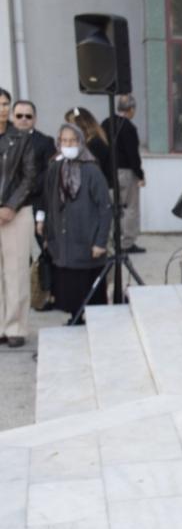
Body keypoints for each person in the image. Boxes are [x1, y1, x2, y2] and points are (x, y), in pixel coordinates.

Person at [34, 123, 112, 324]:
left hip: (86, 240)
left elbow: (105, 208)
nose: (68, 145)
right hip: (63, 241)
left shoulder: (91, 170)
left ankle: (90, 320)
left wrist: (100, 241)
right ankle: (75, 318)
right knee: (68, 285)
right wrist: (42, 222)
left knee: (88, 286)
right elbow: (47, 197)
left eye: (72, 141)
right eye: (64, 141)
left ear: (81, 142)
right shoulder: (55, 167)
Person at [11, 100, 56, 311]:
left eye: (28, 116)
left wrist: (25, 190)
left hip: (36, 203)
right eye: (19, 115)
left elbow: (48, 173)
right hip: (10, 209)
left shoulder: (45, 142)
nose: (23, 120)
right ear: (13, 117)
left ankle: (48, 294)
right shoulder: (5, 140)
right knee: (17, 257)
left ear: (35, 119)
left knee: (45, 251)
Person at [0, 88, 36, 347]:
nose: (1, 109)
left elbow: (30, 176)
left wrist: (10, 206)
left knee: (16, 271)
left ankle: (15, 328)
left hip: (17, 212)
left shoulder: (22, 138)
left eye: (5, 104)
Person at [104, 94, 146, 253]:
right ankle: (126, 243)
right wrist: (140, 174)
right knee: (129, 208)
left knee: (111, 207)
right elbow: (132, 154)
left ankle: (110, 241)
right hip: (126, 172)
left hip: (108, 172)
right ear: (131, 109)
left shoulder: (106, 123)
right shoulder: (128, 127)